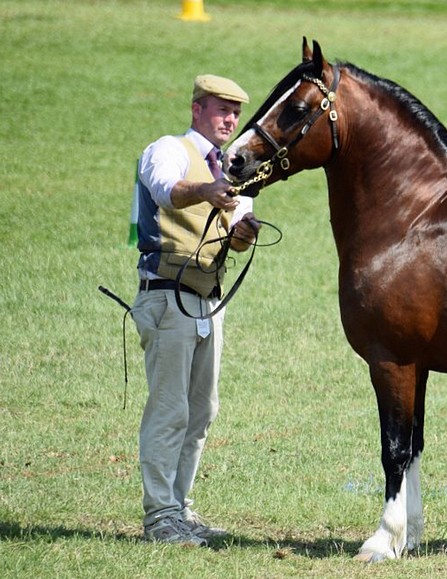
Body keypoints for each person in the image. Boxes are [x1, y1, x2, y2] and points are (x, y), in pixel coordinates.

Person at [131, 74, 260, 546]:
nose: (229, 119)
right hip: (166, 294)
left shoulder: (232, 167)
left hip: (208, 299)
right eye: (220, 109)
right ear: (196, 111)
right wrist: (206, 191)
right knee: (170, 410)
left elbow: (238, 231)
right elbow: (167, 191)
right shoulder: (167, 149)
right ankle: (160, 516)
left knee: (202, 410)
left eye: (234, 112)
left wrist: (245, 233)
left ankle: (180, 509)